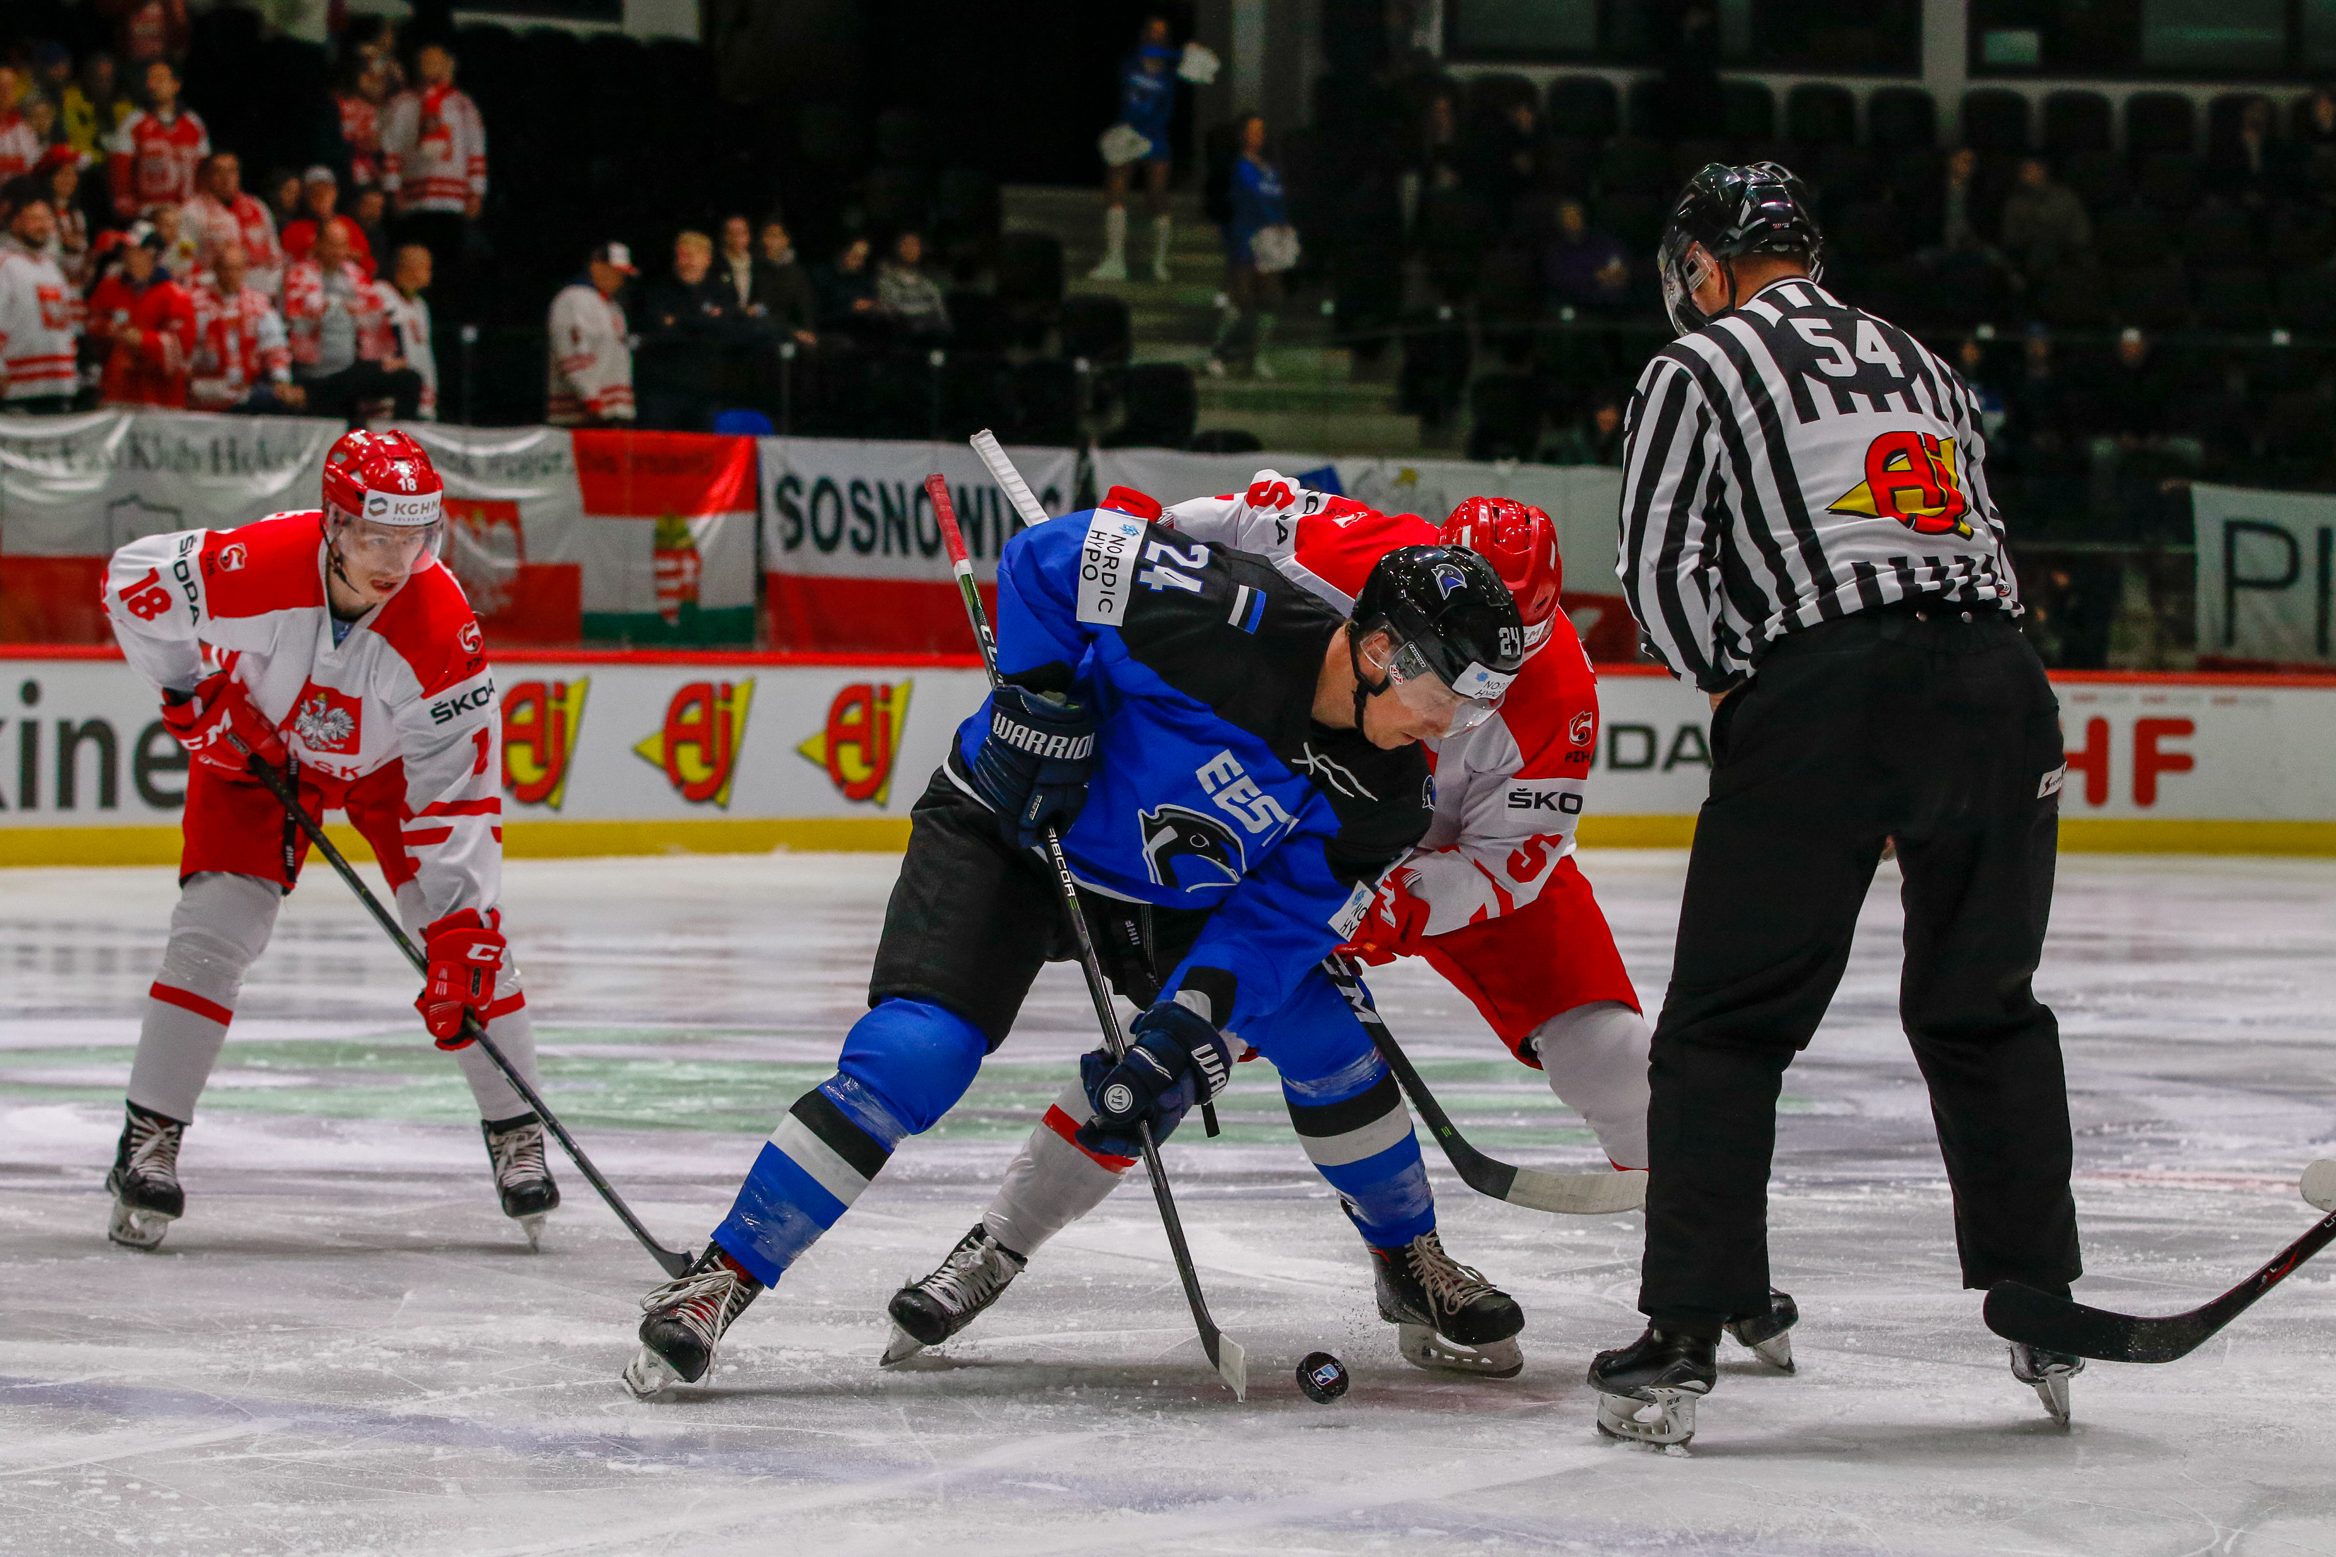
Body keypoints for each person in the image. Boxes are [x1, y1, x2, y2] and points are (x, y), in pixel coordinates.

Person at [619, 488, 1532, 1398]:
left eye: (1475, 708)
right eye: (1445, 695)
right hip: (1012, 827)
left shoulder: (1388, 794)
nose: (1447, 727)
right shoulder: (1235, 611)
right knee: (918, 1053)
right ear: (1378, 650)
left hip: (1168, 898)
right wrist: (1038, 699)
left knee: (1329, 1039)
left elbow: (1279, 923)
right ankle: (721, 1273)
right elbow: (1047, 558)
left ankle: (1407, 1255)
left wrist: (1190, 1025)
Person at [881, 482, 1670, 1375]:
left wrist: (1385, 899)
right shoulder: (1349, 549)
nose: (1476, 669)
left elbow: (1516, 860)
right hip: (1300, 839)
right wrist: (1146, 525)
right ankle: (1002, 1239)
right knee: (1185, 1043)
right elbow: (1214, 529)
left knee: (1618, 1056)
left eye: (1508, 648)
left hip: (1457, 869)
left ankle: (1708, 1274)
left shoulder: (1559, 693)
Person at [1594, 161, 2080, 1447]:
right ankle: (2040, 1301)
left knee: (1724, 1027)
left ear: (1703, 266)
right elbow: (1975, 530)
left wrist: (1739, 687)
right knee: (1983, 1005)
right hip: (1999, 685)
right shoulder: (1918, 359)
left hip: (1832, 691)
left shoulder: (1694, 366)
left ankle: (1685, 1328)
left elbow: (1652, 566)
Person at [98, 429, 558, 1253]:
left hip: (390, 773)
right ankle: (149, 1136)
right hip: (259, 748)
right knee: (213, 931)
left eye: (412, 537)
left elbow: (458, 797)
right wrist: (191, 690)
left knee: (470, 950)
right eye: (375, 535)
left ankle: (516, 1129)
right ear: (335, 524)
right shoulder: (264, 560)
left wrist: (458, 931)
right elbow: (134, 581)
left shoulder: (443, 633)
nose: (394, 558)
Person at [380, 41, 486, 325]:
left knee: (449, 268)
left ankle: (447, 322)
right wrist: (394, 189)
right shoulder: (402, 104)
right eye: (426, 62)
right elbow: (392, 148)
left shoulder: (462, 105)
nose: (431, 68)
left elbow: (475, 148)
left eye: (436, 62)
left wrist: (475, 191)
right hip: (416, 200)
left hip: (451, 201)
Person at [283, 216, 421, 424]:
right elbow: (302, 315)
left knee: (408, 379)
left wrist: (387, 356)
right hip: (316, 373)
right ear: (318, 243)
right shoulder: (298, 274)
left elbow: (374, 316)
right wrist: (341, 307)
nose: (338, 251)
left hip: (350, 368)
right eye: (331, 244)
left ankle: (398, 445)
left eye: (342, 245)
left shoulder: (354, 275)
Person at [1090, 14, 1177, 283]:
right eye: (1152, 30)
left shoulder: (1171, 72)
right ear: (1143, 34)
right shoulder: (1130, 63)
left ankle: (1159, 264)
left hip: (1155, 137)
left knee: (1157, 196)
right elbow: (1128, 97)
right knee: (1116, 188)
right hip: (1128, 133)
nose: (1156, 35)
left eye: (1162, 32)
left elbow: (1168, 107)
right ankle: (1115, 261)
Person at [1208, 113, 1288, 379]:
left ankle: (1258, 357)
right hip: (1244, 236)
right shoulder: (1235, 165)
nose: (1258, 135)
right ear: (1242, 133)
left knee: (1270, 297)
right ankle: (1217, 352)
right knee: (1241, 297)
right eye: (1253, 130)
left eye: (1261, 130)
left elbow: (1278, 201)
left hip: (1272, 240)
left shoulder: (1270, 168)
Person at [632, 230, 733, 431]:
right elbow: (658, 329)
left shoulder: (720, 291)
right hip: (662, 391)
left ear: (707, 259)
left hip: (705, 391)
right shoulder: (659, 290)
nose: (684, 262)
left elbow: (727, 328)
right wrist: (701, 322)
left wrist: (679, 321)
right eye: (680, 255)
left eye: (690, 256)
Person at [87, 222, 196, 407]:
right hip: (116, 397)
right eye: (125, 250)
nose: (125, 256)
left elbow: (180, 350)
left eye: (133, 250)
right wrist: (106, 330)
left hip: (160, 401)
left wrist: (141, 340)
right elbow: (90, 326)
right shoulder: (109, 287)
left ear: (151, 254)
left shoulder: (175, 296)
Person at [189, 239, 300, 414]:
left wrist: (282, 381)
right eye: (226, 268)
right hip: (206, 386)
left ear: (245, 270)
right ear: (216, 269)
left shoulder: (258, 303)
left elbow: (275, 347)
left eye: (237, 268)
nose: (231, 274)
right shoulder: (195, 303)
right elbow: (186, 349)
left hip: (247, 389)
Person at [0, 181, 80, 412]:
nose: (43, 225)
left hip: (59, 386)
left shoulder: (52, 268)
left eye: (47, 219)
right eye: (34, 218)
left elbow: (65, 324)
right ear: (15, 221)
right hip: (18, 390)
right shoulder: (5, 263)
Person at [546, 242, 635, 426]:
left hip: (611, 409)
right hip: (582, 412)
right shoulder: (573, 299)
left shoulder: (612, 305)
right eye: (614, 271)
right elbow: (572, 350)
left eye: (622, 274)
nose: (618, 279)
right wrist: (589, 395)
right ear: (596, 266)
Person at [109, 59, 206, 221]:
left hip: (188, 217)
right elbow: (119, 174)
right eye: (149, 79)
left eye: (160, 79)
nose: (152, 85)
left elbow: (204, 173)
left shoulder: (194, 123)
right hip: (147, 216)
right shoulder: (133, 122)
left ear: (176, 84)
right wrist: (134, 211)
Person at [182, 152, 283, 298]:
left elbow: (275, 254)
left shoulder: (256, 207)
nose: (226, 178)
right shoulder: (192, 212)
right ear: (207, 176)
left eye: (231, 171)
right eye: (219, 172)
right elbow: (185, 254)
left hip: (260, 289)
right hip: (214, 290)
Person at [1997, 155, 2092, 284]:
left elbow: (2080, 231)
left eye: (2032, 170)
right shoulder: (2014, 204)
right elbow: (2010, 238)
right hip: (2029, 256)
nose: (2027, 175)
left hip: (2068, 254)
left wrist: (2035, 214)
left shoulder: (2064, 196)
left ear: (2043, 171)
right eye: (2024, 171)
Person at [282, 167, 376, 278]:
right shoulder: (294, 229)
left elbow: (370, 268)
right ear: (305, 196)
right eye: (314, 192)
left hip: (345, 285)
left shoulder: (349, 226)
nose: (321, 195)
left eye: (326, 190)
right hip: (309, 283)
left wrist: (345, 254)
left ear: (334, 192)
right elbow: (286, 266)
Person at [1541, 198, 1630, 312]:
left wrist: (1617, 275)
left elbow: (1620, 267)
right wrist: (1594, 276)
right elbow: (1561, 280)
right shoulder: (1555, 252)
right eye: (1568, 217)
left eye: (1576, 216)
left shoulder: (1603, 243)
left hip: (1609, 307)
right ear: (1560, 222)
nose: (1573, 221)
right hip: (1572, 306)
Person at [380, 242, 437, 420]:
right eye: (425, 267)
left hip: (421, 388)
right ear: (407, 269)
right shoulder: (383, 294)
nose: (429, 273)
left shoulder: (420, 306)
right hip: (394, 390)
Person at [875, 229, 948, 338]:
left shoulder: (929, 285)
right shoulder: (884, 282)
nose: (910, 249)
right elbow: (891, 314)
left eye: (915, 245)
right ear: (897, 248)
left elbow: (942, 317)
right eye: (906, 244)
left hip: (929, 340)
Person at [63, 53, 133, 162]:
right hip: (86, 167)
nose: (104, 86)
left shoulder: (123, 107)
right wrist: (103, 158)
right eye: (99, 79)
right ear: (87, 79)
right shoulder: (72, 103)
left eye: (108, 80)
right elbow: (78, 146)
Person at [814, 234, 882, 343]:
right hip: (829, 333)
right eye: (855, 256)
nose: (860, 262)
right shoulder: (822, 276)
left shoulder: (863, 279)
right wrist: (849, 308)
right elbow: (818, 315)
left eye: (863, 257)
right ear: (842, 251)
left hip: (861, 333)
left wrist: (874, 306)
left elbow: (873, 303)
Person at [0, 69, 40, 182]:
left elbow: (32, 163)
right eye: (1, 87)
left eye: (10, 87)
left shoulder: (24, 129)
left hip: (20, 194)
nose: (6, 92)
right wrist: (19, 162)